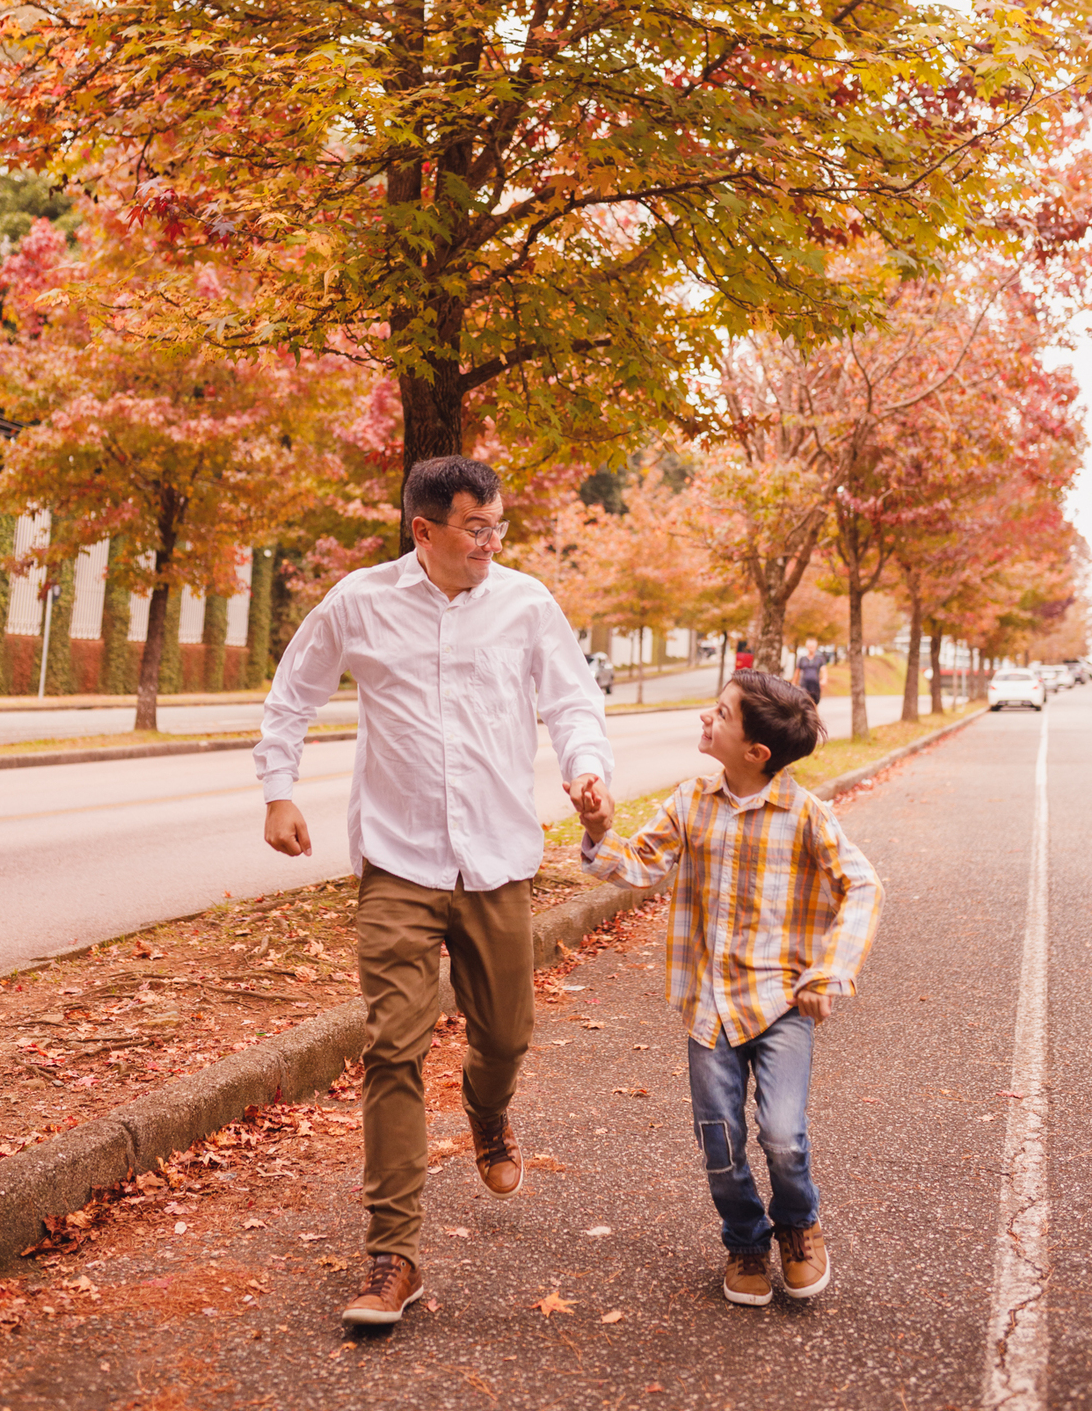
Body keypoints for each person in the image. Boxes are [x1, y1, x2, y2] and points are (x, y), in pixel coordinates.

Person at [255, 456, 614, 1327]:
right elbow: (291, 696)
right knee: (392, 1050)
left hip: (496, 861)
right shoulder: (359, 602)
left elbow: (573, 703)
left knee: (506, 1036)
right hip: (398, 861)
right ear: (424, 530)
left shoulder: (526, 604)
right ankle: (393, 1255)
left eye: (498, 527)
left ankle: (488, 1115)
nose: (492, 543)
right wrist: (278, 789)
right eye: (475, 528)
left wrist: (589, 771)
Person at [575, 671, 883, 1307]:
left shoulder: (805, 814)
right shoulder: (690, 802)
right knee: (719, 1139)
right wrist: (601, 831)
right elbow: (640, 864)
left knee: (782, 1136)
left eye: (719, 713)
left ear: (756, 753)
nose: (704, 719)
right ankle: (744, 1238)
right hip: (708, 1007)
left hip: (780, 1006)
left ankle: (797, 1227)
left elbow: (865, 886)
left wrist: (829, 971)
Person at [793, 637, 828, 704]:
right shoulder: (802, 659)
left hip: (815, 686)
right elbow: (797, 671)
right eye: (809, 646)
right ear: (807, 647)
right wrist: (794, 682)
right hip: (804, 685)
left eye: (812, 646)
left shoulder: (820, 659)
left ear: (815, 647)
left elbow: (824, 670)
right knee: (804, 704)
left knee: (814, 704)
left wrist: (824, 679)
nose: (811, 648)